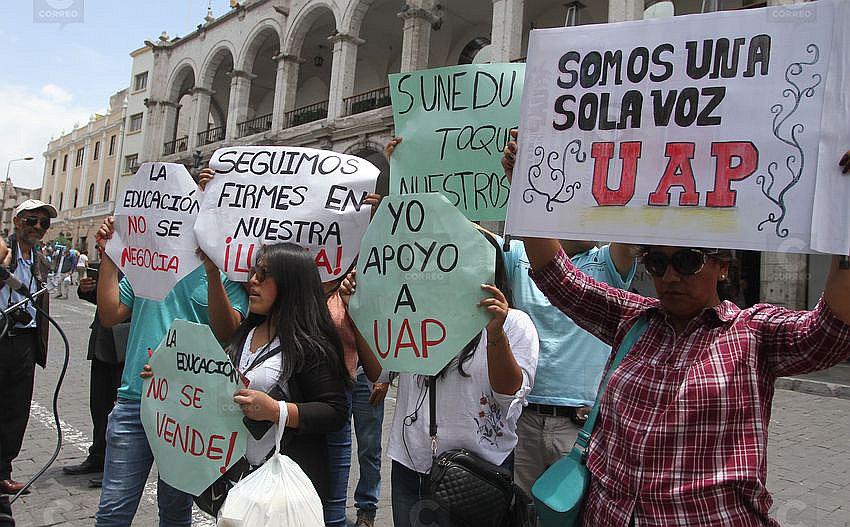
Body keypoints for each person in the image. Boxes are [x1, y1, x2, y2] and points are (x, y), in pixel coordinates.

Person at [511, 149, 850, 525]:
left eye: (688, 261)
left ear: (722, 266)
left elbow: (829, 332)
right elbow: (560, 278)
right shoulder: (632, 320)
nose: (670, 277)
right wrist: (528, 185)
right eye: (657, 262)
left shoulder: (754, 334)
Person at [344, 231, 539, 527]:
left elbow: (508, 394)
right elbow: (377, 372)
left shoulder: (514, 323)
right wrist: (355, 310)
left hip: (476, 475)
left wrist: (495, 334)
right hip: (411, 466)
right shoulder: (412, 315)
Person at [142, 242, 350, 505]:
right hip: (238, 484)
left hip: (281, 490)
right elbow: (216, 384)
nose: (253, 281)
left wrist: (276, 410)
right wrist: (168, 378)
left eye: (264, 274)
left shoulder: (309, 346)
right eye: (254, 272)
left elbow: (335, 411)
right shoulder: (245, 333)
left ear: (290, 282)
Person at [499, 132, 638, 494]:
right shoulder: (519, 257)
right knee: (526, 517)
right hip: (525, 421)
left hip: (582, 425)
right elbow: (466, 240)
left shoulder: (606, 265)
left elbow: (631, 228)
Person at [93, 216, 249, 526]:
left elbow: (227, 330)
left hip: (189, 410)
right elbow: (110, 314)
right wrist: (110, 253)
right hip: (135, 401)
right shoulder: (150, 263)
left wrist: (212, 273)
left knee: (176, 512)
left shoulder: (230, 274)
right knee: (113, 510)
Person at [0, 200, 55, 495]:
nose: (37, 228)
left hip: (25, 341)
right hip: (0, 335)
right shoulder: (3, 250)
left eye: (44, 224)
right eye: (32, 221)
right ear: (18, 220)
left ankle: (2, 470)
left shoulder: (41, 260)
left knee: (15, 410)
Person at [61, 265, 125, 488]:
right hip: (102, 342)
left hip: (127, 345)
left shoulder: (143, 259)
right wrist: (88, 290)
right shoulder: (111, 261)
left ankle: (117, 465)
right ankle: (97, 456)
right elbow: (105, 304)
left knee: (121, 413)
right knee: (99, 406)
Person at [350, 371, 388, 527]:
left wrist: (384, 378)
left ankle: (367, 509)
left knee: (370, 449)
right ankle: (332, 505)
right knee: (332, 447)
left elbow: (389, 346)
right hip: (334, 373)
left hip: (367, 377)